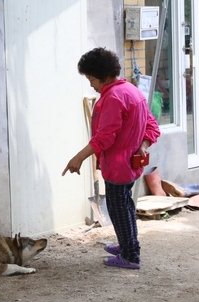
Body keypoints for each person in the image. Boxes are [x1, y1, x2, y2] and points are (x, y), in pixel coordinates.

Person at [62, 47, 161, 269]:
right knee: (125, 206)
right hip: (130, 165)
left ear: (105, 76)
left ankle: (130, 256)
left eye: (91, 79)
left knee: (118, 209)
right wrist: (143, 145)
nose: (91, 84)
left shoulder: (114, 98)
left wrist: (79, 157)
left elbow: (104, 138)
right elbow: (152, 126)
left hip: (117, 167)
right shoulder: (131, 91)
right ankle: (129, 246)